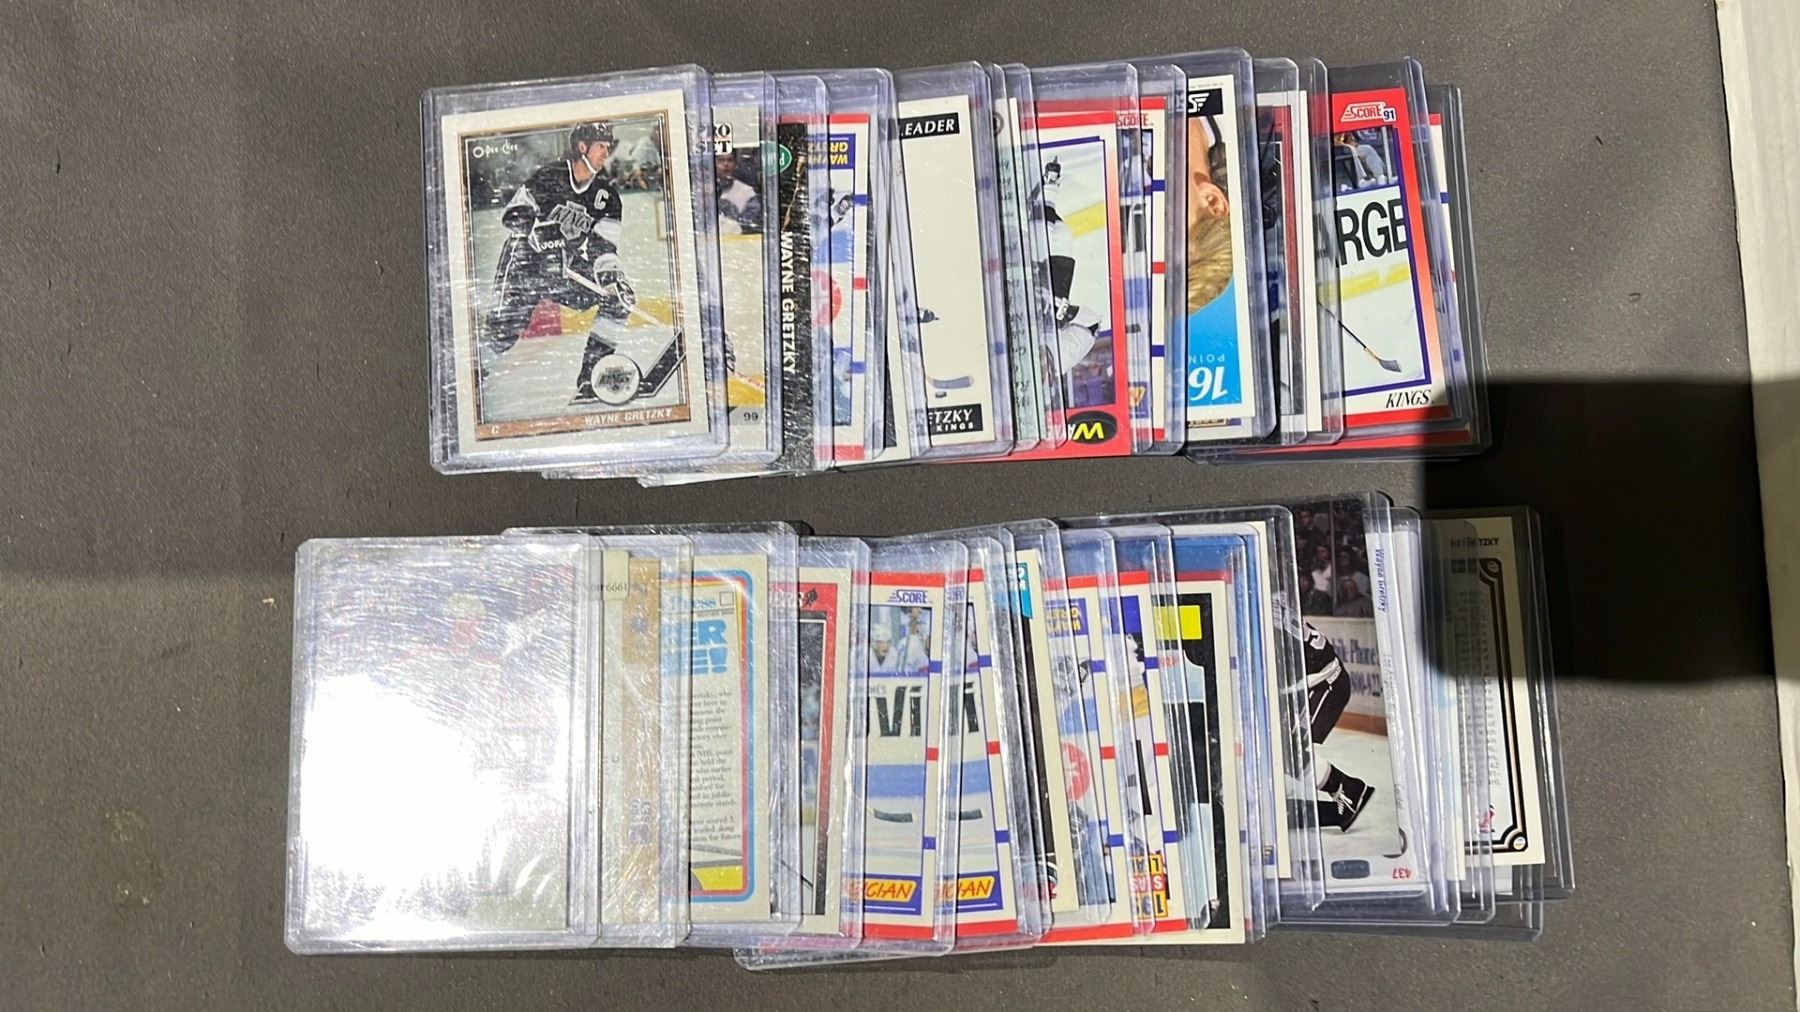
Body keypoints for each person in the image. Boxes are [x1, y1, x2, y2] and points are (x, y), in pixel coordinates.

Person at [483, 122, 636, 403]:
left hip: (565, 268)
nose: (606, 152)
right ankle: (476, 373)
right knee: (502, 333)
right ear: (582, 147)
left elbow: (603, 247)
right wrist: (537, 229)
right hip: (526, 264)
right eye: (601, 146)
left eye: (608, 146)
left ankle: (590, 381)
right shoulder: (550, 176)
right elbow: (512, 213)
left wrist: (610, 277)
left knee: (618, 301)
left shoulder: (608, 197)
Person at [1300, 622, 1375, 831]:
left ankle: (1347, 789)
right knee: (1284, 748)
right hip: (1319, 681)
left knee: (1288, 750)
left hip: (1326, 685)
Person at [715, 149, 763, 234]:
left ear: (735, 164)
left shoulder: (747, 191)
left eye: (730, 160)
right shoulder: (703, 190)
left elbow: (750, 224)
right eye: (721, 160)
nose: (726, 164)